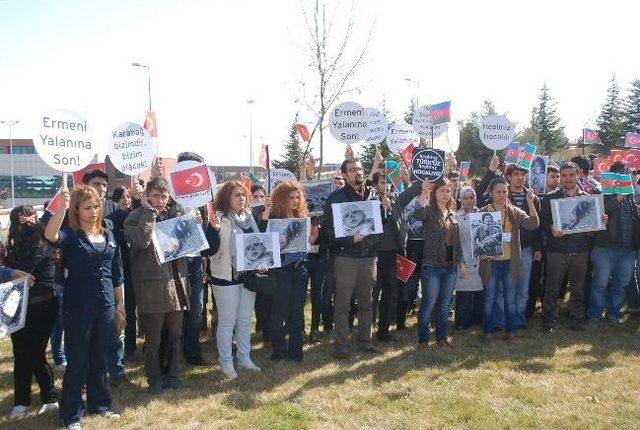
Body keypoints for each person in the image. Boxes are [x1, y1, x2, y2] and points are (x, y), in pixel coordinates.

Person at [44, 184, 123, 429]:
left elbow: (117, 274)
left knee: (100, 358)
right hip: (79, 309)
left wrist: (121, 304)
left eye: (96, 206)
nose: (93, 211)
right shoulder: (70, 236)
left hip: (106, 306)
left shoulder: (109, 236)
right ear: (76, 211)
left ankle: (100, 404)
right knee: (78, 360)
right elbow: (50, 235)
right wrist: (62, 208)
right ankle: (71, 414)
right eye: (87, 207)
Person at [124, 177, 192, 394]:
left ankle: (172, 377)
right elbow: (141, 241)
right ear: (146, 196)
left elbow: (190, 246)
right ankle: (154, 380)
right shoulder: (134, 218)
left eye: (164, 196)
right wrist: (149, 213)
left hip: (176, 287)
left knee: (174, 337)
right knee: (152, 341)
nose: (160, 201)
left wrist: (194, 226)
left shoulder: (177, 216)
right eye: (155, 196)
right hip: (151, 290)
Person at [322, 158, 386, 360]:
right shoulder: (335, 198)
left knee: (367, 303)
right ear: (344, 174)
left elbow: (380, 223)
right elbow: (327, 233)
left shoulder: (373, 194)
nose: (357, 172)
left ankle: (365, 343)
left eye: (360, 168)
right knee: (342, 305)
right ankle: (342, 347)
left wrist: (385, 208)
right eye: (352, 169)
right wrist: (350, 239)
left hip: (369, 258)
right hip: (346, 258)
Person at [540, 162, 606, 332]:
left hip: (580, 250)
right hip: (557, 251)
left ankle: (577, 321)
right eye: (564, 175)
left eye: (571, 175)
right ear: (560, 177)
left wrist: (600, 220)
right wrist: (551, 229)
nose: (567, 179)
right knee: (552, 288)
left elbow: (592, 230)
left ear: (578, 176)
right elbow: (544, 222)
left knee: (578, 288)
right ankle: (548, 322)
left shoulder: (588, 198)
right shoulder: (550, 198)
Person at [6, 206, 58, 420]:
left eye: (28, 218)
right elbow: (10, 271)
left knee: (35, 353)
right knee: (20, 354)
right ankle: (21, 401)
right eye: (20, 220)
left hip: (42, 304)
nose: (25, 223)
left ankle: (50, 398)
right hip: (17, 305)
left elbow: (27, 267)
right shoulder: (12, 244)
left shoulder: (41, 238)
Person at [206, 180, 261, 378]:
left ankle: (244, 358)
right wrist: (213, 229)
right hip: (225, 276)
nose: (242, 198)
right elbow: (209, 250)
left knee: (245, 320)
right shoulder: (218, 218)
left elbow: (257, 243)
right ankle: (226, 362)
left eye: (243, 194)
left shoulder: (249, 217)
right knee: (228, 322)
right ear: (226, 198)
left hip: (247, 276)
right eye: (237, 195)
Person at [479, 177, 539, 342]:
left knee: (510, 299)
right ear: (491, 193)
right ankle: (487, 332)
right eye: (498, 192)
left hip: (509, 263)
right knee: (489, 298)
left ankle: (511, 332)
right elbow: (476, 238)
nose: (501, 195)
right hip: (490, 263)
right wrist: (480, 252)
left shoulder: (514, 211)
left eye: (504, 191)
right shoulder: (483, 212)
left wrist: (531, 202)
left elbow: (533, 224)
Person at [259, 181, 309, 361]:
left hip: (300, 270)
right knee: (278, 313)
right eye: (291, 198)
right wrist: (266, 213)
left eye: (298, 197)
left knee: (297, 313)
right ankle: (279, 350)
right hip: (281, 271)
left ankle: (296, 352)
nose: (295, 201)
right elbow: (262, 236)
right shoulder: (272, 218)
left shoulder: (301, 217)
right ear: (282, 199)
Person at [414, 178, 465, 346]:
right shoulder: (429, 211)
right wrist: (424, 193)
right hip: (432, 266)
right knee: (429, 303)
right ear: (435, 193)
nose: (446, 194)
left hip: (450, 267)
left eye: (448, 190)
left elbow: (457, 242)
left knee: (445, 304)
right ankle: (423, 340)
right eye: (442, 190)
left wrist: (461, 262)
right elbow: (418, 213)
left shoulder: (453, 214)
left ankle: (441, 338)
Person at [588, 162, 639, 327]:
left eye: (628, 174)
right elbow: (596, 214)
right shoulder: (600, 193)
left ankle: (613, 314)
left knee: (620, 284)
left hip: (628, 250)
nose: (628, 177)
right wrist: (616, 199)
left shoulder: (632, 198)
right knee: (600, 284)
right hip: (605, 248)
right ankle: (594, 316)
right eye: (623, 174)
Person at [504, 164, 543, 329]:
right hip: (506, 249)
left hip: (527, 249)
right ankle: (507, 318)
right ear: (509, 177)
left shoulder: (533, 198)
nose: (520, 177)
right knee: (508, 286)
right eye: (516, 174)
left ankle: (519, 319)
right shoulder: (501, 195)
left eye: (522, 174)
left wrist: (538, 248)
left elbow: (539, 226)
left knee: (523, 287)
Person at [370, 172, 403, 342]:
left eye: (388, 183)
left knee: (390, 293)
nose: (386, 186)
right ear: (375, 185)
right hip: (374, 255)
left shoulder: (395, 201)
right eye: (383, 182)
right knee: (372, 295)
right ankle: (366, 331)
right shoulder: (368, 200)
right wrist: (378, 207)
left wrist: (389, 208)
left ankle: (383, 331)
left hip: (391, 254)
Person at [455, 187, 484, 330]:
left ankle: (478, 320)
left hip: (480, 260)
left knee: (479, 293)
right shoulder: (456, 217)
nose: (469, 201)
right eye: (465, 198)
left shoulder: (483, 214)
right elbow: (455, 242)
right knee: (464, 295)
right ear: (460, 199)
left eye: (471, 197)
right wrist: (460, 262)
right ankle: (462, 323)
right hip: (464, 259)